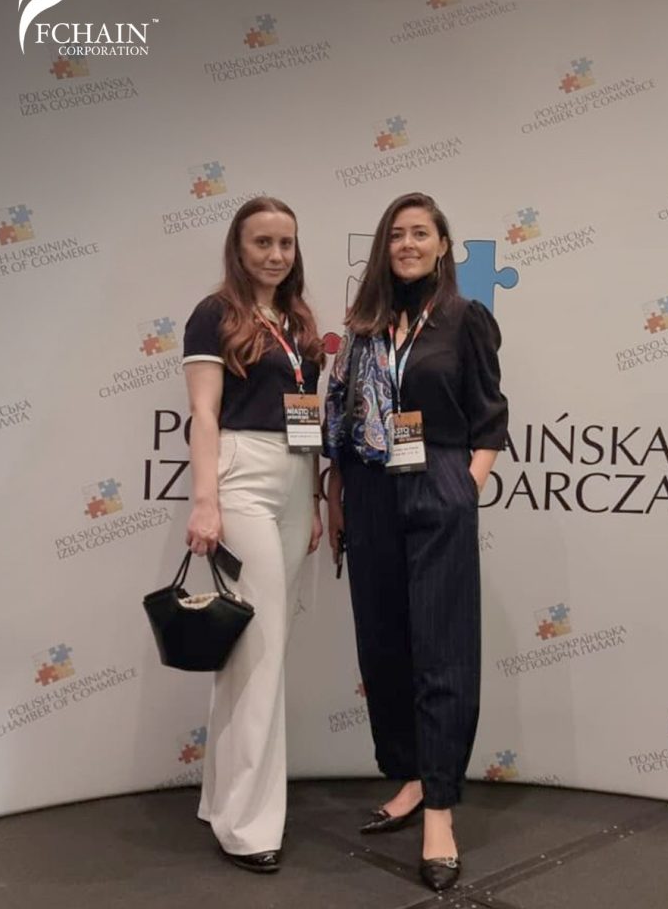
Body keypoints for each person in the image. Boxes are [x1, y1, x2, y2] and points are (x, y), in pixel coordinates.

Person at [324, 192, 508, 893]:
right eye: (396, 234)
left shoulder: (464, 318)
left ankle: (439, 808)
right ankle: (407, 776)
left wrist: (463, 487)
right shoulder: (365, 326)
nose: (407, 244)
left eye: (420, 233)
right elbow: (342, 419)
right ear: (384, 247)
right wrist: (337, 497)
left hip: (437, 483)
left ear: (442, 245)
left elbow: (490, 418)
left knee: (442, 649)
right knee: (383, 645)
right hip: (369, 489)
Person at [182, 196, 324, 873]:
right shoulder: (214, 314)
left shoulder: (298, 321)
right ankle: (248, 827)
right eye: (262, 242)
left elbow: (308, 415)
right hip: (240, 472)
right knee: (259, 650)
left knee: (256, 650)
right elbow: (204, 415)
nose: (275, 255)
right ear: (238, 248)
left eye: (285, 243)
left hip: (296, 475)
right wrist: (204, 502)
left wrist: (315, 496)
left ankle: (222, 800)